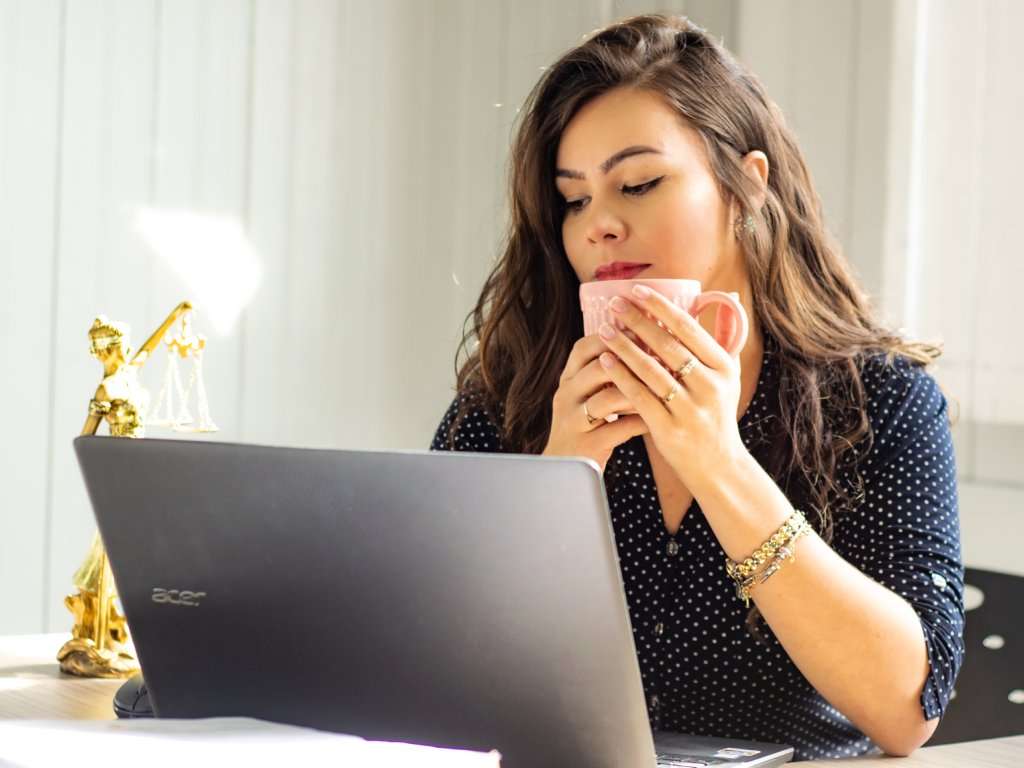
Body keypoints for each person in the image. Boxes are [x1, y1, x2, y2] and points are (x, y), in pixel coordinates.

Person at [429, 14, 964, 762]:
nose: (599, 226)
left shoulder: (882, 404)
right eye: (574, 199)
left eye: (639, 183)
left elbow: (908, 709)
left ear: (746, 186)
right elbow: (428, 681)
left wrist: (719, 462)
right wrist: (551, 484)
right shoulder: (510, 397)